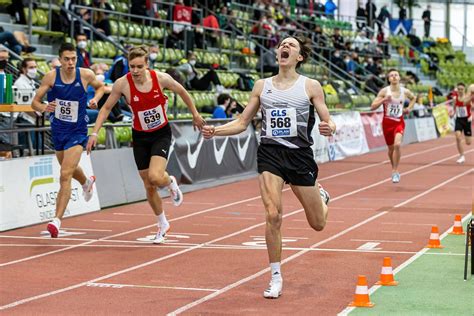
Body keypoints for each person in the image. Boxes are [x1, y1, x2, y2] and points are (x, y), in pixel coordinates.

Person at [202, 36, 335, 299]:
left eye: (291, 45)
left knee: (318, 224)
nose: (285, 47)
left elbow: (328, 120)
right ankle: (275, 276)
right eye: (282, 44)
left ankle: (321, 196)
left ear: (300, 57)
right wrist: (216, 131)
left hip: (299, 157)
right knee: (273, 214)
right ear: (277, 54)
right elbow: (242, 122)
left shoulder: (311, 85)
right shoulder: (262, 86)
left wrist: (328, 127)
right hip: (270, 154)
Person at [86, 46, 206, 244]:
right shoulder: (122, 84)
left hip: (161, 133)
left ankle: (170, 183)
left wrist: (195, 114)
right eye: (132, 66)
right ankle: (162, 223)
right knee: (148, 185)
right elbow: (106, 108)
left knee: (155, 176)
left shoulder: (161, 78)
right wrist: (95, 132)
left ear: (147, 64)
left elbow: (182, 91)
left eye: (139, 66)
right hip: (140, 136)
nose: (135, 71)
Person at [31, 42, 105, 238]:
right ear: (60, 60)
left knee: (64, 174)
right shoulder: (51, 77)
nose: (71, 63)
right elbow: (34, 102)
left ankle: (56, 220)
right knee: (68, 168)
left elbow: (101, 87)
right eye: (67, 59)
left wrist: (95, 99)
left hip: (78, 131)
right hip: (58, 132)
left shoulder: (85, 75)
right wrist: (44, 107)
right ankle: (86, 183)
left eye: (74, 59)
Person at [370, 69, 416, 183]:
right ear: (389, 79)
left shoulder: (405, 91)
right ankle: (394, 167)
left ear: (399, 78)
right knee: (391, 149)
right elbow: (373, 106)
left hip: (399, 122)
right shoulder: (384, 91)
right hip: (387, 123)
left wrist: (409, 108)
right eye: (391, 75)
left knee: (397, 145)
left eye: (396, 75)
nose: (394, 77)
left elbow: (414, 98)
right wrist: (384, 100)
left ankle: (395, 171)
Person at [450, 83, 472, 164]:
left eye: (461, 89)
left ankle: (466, 141)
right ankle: (461, 156)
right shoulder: (455, 98)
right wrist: (452, 113)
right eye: (458, 89)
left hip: (467, 120)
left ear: (464, 90)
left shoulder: (468, 98)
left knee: (468, 142)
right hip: (459, 119)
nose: (460, 91)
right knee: (458, 137)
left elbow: (470, 106)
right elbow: (454, 107)